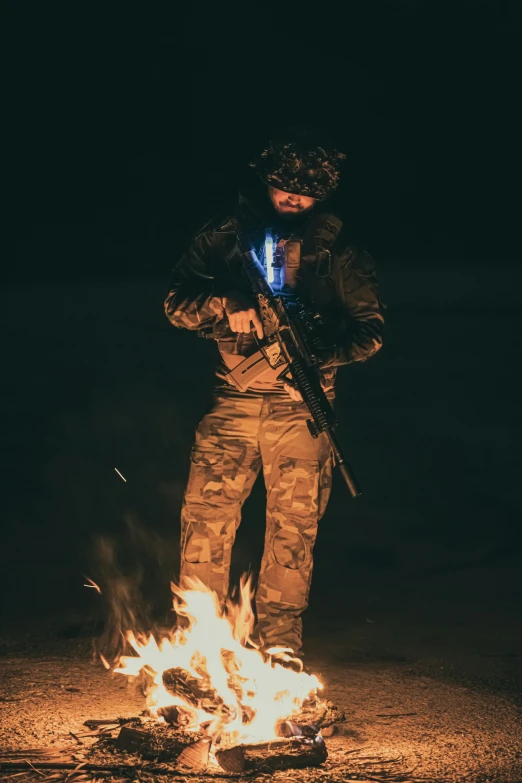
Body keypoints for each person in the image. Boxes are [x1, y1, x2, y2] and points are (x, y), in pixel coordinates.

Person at [164, 127, 385, 658]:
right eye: (284, 186)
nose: (293, 197)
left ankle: (279, 652)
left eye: (306, 191)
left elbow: (369, 333)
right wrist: (225, 301)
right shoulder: (224, 238)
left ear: (323, 193)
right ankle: (199, 647)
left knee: (293, 534)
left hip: (301, 409)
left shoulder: (340, 255)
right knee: (206, 523)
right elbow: (175, 304)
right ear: (267, 183)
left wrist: (316, 349)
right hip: (232, 402)